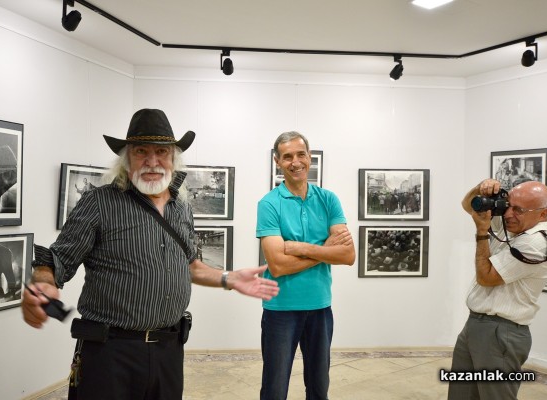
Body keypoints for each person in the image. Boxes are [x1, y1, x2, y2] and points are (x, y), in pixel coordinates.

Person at [22, 109, 279, 400]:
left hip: (168, 351)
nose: (152, 161)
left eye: (162, 152)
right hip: (110, 354)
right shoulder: (100, 203)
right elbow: (57, 261)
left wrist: (228, 278)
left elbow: (191, 265)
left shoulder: (181, 207)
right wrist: (42, 283)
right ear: (126, 158)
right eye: (141, 151)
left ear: (173, 158)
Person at [256, 131, 355, 400]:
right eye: (287, 157)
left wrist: (301, 248)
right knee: (275, 389)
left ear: (309, 158)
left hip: (320, 307)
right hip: (280, 310)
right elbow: (277, 265)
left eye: (301, 155)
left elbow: (348, 255)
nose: (295, 162)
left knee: (319, 388)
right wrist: (326, 248)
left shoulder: (329, 199)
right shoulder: (269, 204)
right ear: (278, 162)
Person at [448, 178, 547, 400]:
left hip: (502, 332)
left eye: (519, 210)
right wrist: (480, 188)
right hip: (476, 324)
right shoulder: (514, 226)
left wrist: (482, 233)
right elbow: (469, 206)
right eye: (508, 205)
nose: (507, 215)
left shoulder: (536, 243)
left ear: (542, 214)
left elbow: (486, 277)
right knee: (462, 394)